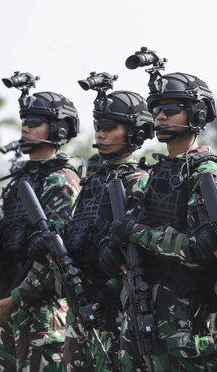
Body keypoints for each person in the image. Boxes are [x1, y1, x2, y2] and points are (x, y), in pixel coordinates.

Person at [22, 88, 154, 372]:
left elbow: (141, 252)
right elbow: (77, 232)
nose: (100, 135)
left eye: (109, 127)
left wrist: (110, 289)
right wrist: (49, 241)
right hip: (80, 304)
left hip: (118, 311)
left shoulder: (139, 182)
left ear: (133, 132)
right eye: (98, 127)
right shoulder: (92, 183)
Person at [107, 70, 217, 371]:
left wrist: (136, 233)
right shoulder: (156, 176)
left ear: (196, 114)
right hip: (142, 310)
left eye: (171, 109)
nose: (160, 116)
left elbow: (199, 251)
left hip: (183, 323)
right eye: (156, 110)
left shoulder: (207, 177)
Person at [0, 89, 81, 371]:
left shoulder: (61, 182)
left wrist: (15, 299)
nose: (24, 128)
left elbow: (55, 255)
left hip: (42, 318)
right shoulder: (16, 183)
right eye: (23, 121)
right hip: (8, 310)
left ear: (57, 129)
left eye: (34, 122)